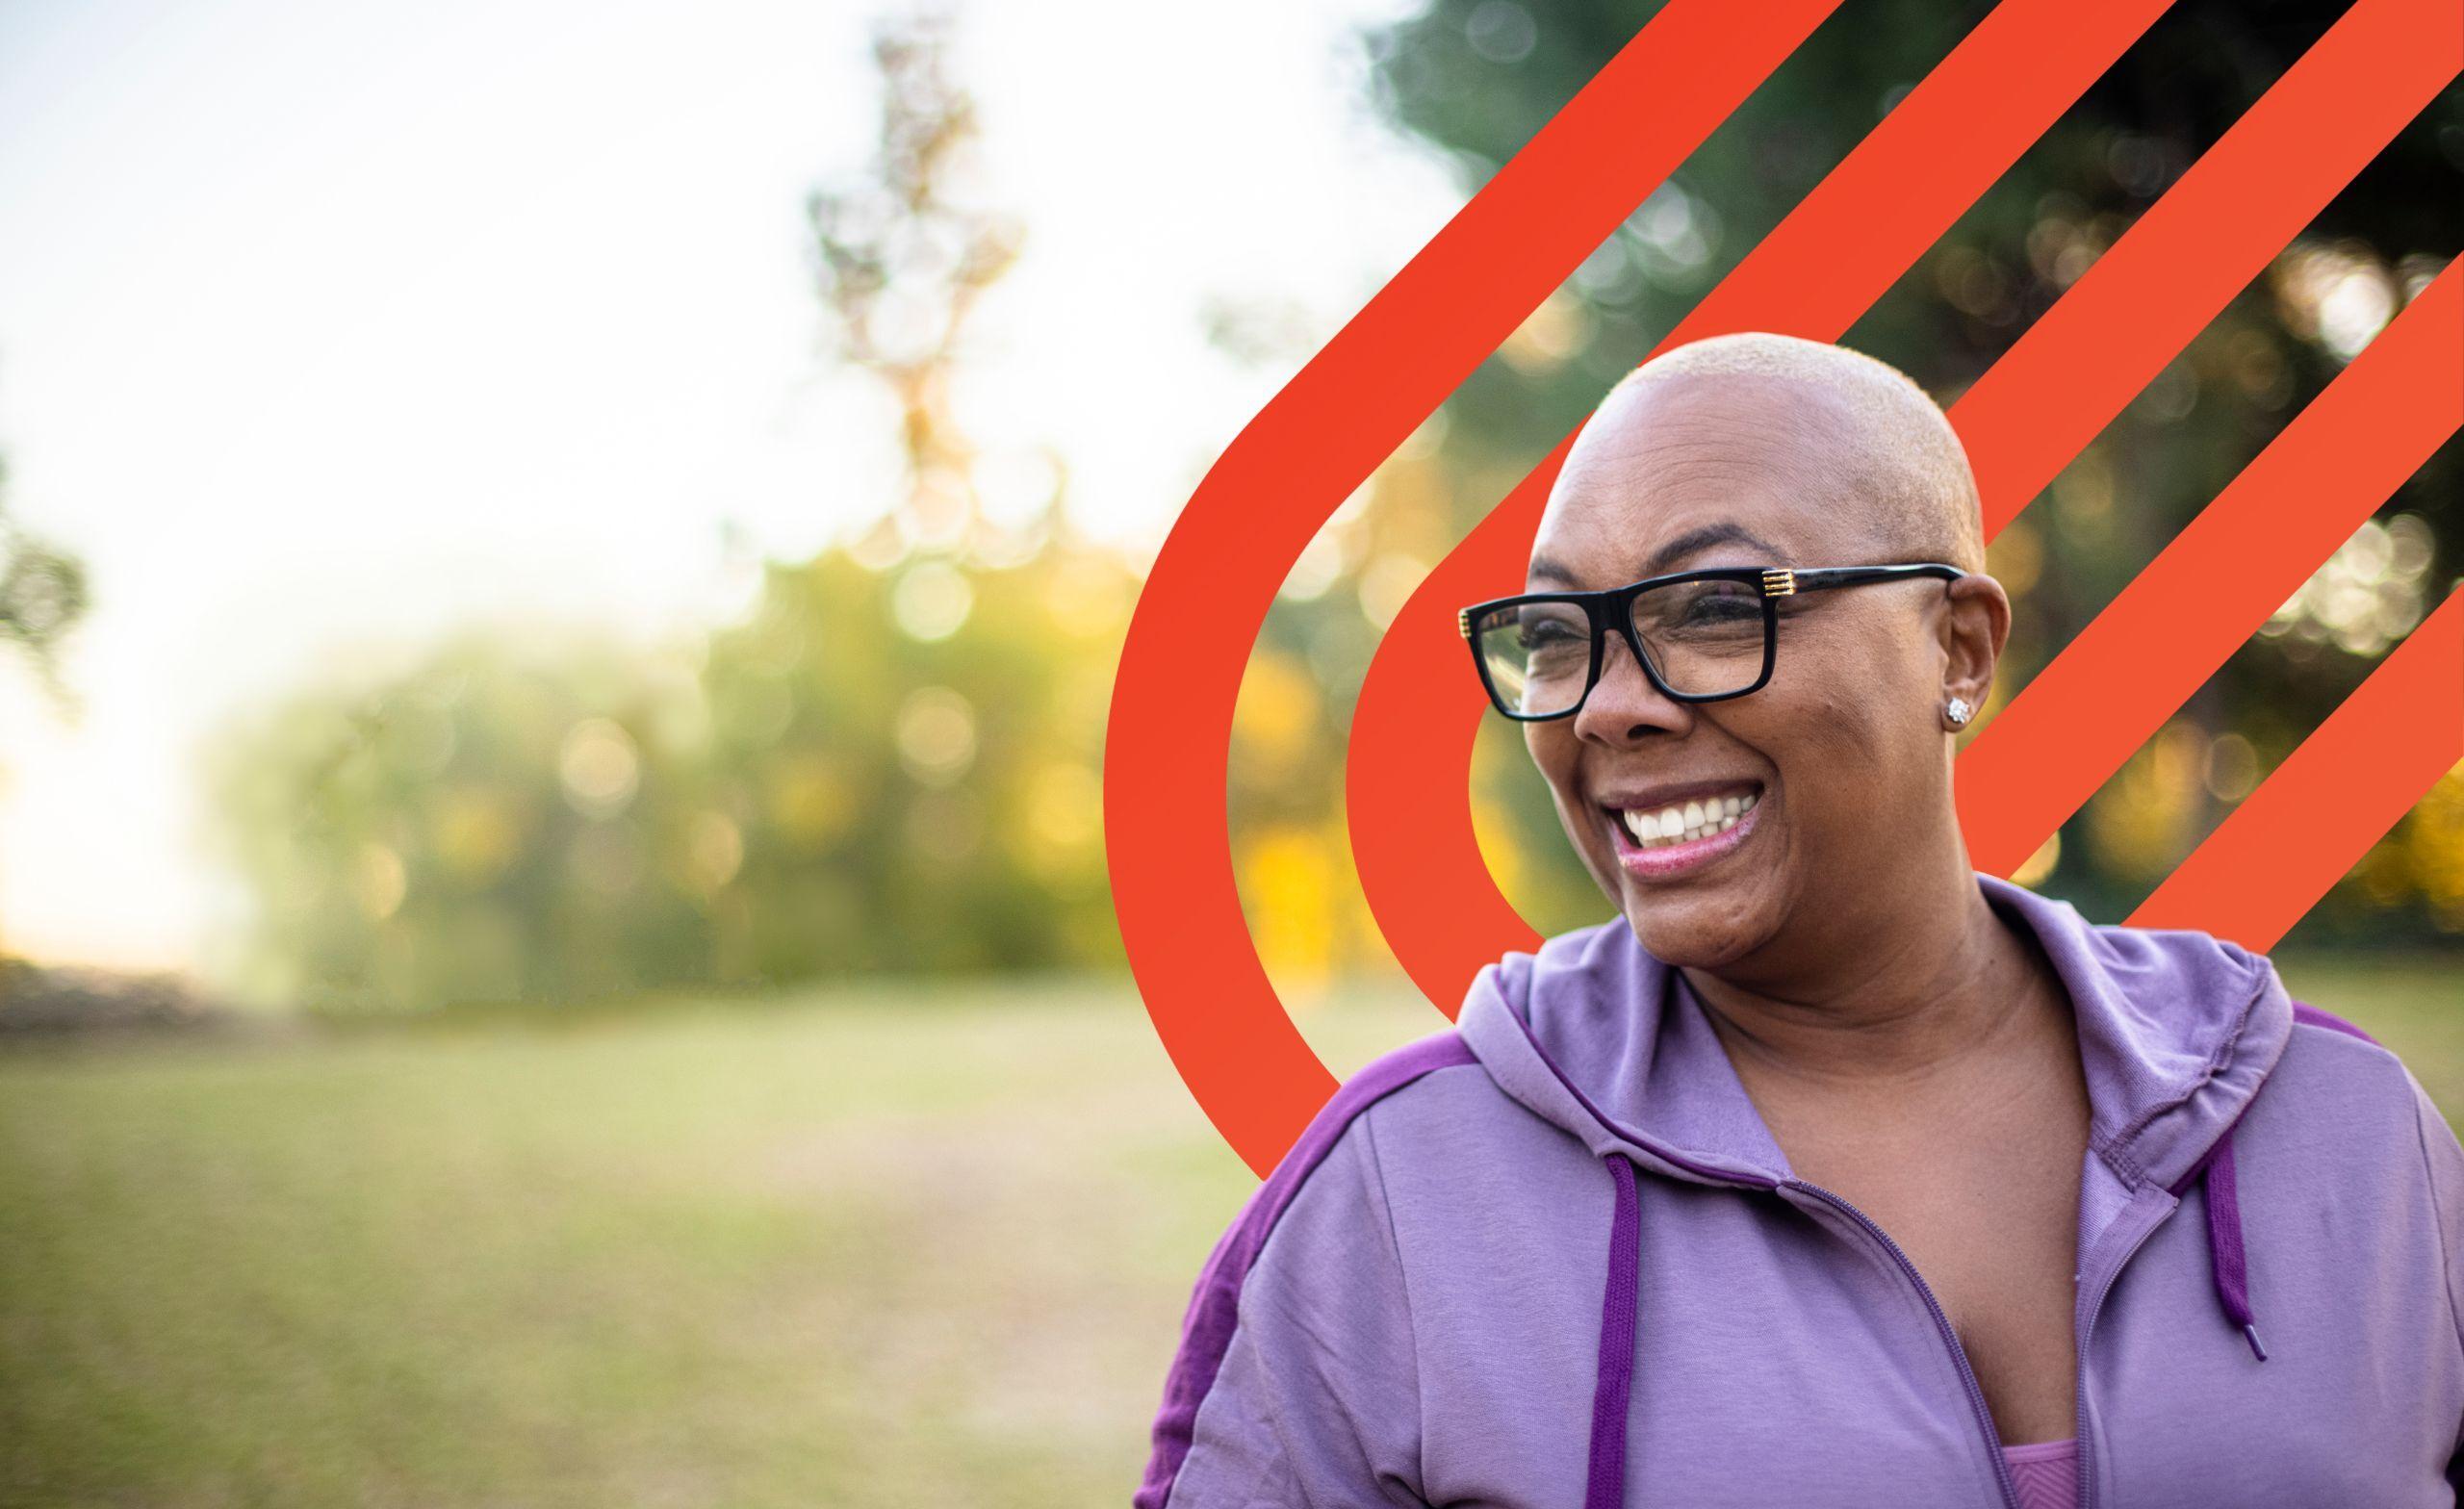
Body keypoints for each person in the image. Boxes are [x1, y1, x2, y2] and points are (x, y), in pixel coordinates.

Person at [1133, 332, 2464, 1508]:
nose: (1605, 706)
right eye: (1557, 635)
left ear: (1959, 648)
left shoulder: (2347, 1136)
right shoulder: (1402, 1195)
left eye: (1713, 609)